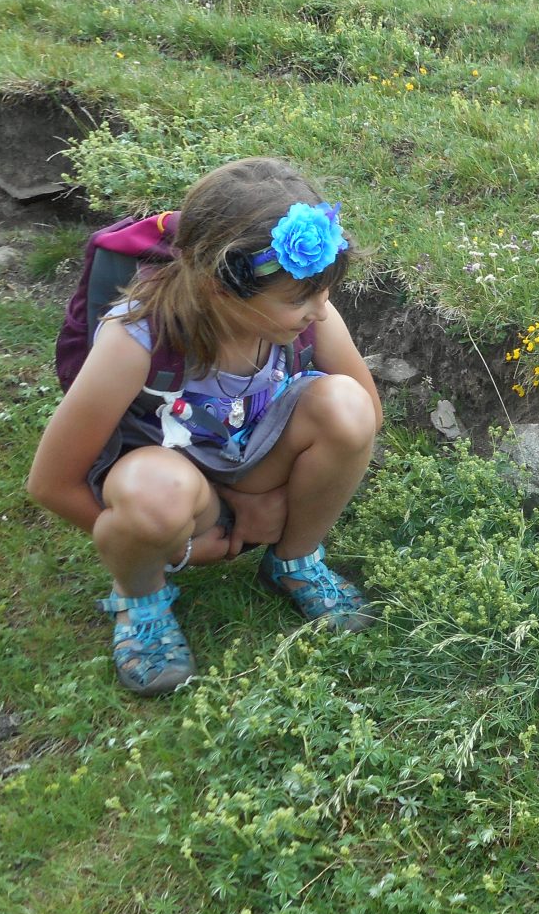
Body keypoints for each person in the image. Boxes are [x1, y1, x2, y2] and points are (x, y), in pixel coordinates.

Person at [28, 157, 383, 697]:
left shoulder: (310, 313)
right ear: (222, 289)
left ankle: (295, 558)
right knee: (154, 497)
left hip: (252, 464)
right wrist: (176, 548)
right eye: (300, 299)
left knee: (347, 407)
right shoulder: (136, 339)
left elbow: (367, 413)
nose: (320, 310)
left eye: (323, 292)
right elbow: (51, 483)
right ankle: (140, 598)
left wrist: (272, 498)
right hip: (172, 481)